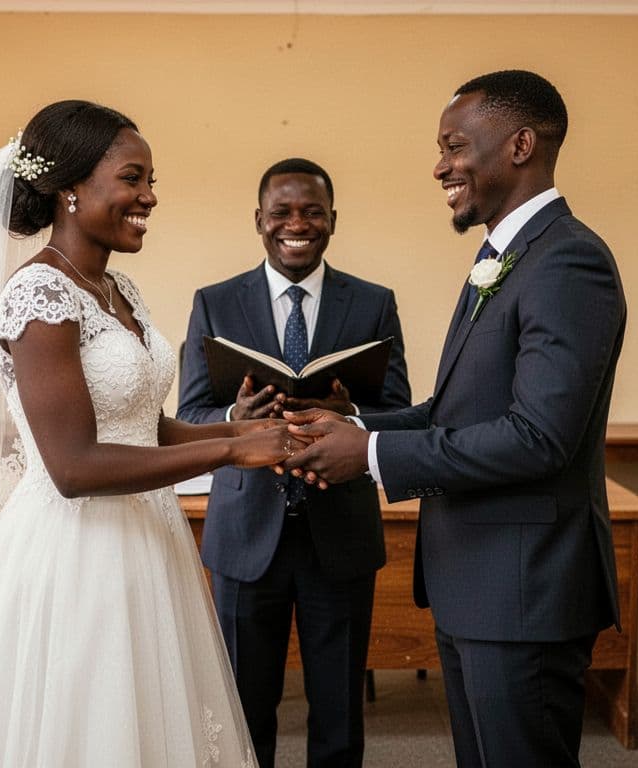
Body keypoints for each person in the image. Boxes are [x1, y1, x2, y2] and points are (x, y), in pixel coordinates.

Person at [0, 100, 296, 766]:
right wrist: (231, 450)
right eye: (132, 178)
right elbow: (72, 467)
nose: (149, 197)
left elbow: (142, 427)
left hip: (146, 543)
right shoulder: (40, 295)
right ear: (70, 188)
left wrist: (222, 428)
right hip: (77, 554)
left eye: (150, 180)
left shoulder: (116, 287)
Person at [280, 71, 627, 767]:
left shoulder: (567, 260)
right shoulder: (503, 256)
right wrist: (359, 421)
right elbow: (457, 409)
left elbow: (540, 438)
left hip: (523, 590)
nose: (440, 165)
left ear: (520, 144)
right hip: (479, 583)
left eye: (454, 145)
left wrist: (371, 457)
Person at [176, 158, 411, 768]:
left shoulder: (374, 303)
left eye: (312, 211)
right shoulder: (215, 303)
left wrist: (351, 411)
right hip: (246, 533)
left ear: (333, 219)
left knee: (338, 715)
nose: (297, 224)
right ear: (259, 220)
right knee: (243, 710)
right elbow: (191, 415)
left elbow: (401, 411)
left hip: (341, 536)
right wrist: (237, 412)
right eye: (282, 212)